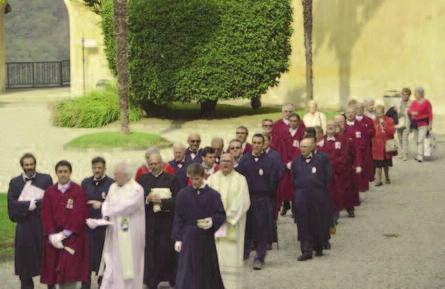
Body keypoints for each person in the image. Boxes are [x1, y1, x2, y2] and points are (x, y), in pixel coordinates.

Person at [173, 163, 226, 289]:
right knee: (187, 271)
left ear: (203, 177)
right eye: (191, 179)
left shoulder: (213, 195)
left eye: (197, 179)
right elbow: (178, 217)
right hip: (188, 237)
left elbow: (221, 214)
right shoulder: (182, 194)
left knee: (206, 269)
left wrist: (212, 221)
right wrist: (178, 238)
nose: (194, 182)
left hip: (205, 237)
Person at [40, 160, 89, 289]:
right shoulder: (49, 192)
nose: (63, 174)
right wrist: (51, 235)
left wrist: (64, 234)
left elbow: (79, 214)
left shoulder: (78, 191)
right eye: (60, 172)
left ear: (70, 173)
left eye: (65, 171)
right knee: (52, 272)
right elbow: (46, 214)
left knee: (68, 274)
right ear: (56, 173)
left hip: (71, 238)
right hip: (53, 239)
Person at [7, 153, 53, 289]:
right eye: (26, 165)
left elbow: (51, 202)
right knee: (25, 268)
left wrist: (35, 204)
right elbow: (11, 207)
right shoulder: (14, 183)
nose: (29, 167)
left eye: (31, 164)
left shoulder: (46, 179)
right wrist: (27, 205)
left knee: (48, 264)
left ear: (35, 164)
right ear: (22, 166)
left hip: (42, 227)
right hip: (24, 229)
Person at [236, 134, 280, 270]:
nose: (256, 145)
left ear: (263, 145)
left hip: (263, 198)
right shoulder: (244, 159)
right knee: (247, 227)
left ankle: (259, 257)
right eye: (254, 142)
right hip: (247, 197)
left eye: (259, 143)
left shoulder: (270, 161)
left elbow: (274, 180)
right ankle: (244, 252)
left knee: (262, 228)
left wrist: (267, 194)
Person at [99, 162, 146, 289]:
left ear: (126, 175)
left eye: (117, 175)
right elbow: (107, 202)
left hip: (130, 234)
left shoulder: (137, 189)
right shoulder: (113, 187)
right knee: (114, 262)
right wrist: (105, 213)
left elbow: (126, 207)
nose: (114, 177)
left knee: (129, 264)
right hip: (114, 232)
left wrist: (108, 210)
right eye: (114, 174)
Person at [207, 153, 250, 289]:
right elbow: (205, 200)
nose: (225, 164)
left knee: (231, 256)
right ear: (219, 162)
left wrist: (227, 217)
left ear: (233, 163)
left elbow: (243, 202)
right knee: (215, 257)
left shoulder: (241, 180)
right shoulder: (211, 179)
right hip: (215, 226)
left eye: (228, 161)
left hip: (233, 225)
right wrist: (217, 219)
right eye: (223, 161)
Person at [138, 153, 180, 289]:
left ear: (162, 164)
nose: (153, 167)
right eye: (151, 164)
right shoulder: (143, 179)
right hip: (148, 223)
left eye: (156, 164)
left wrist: (161, 201)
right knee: (149, 252)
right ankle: (151, 281)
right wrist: (147, 199)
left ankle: (168, 279)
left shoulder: (172, 179)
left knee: (165, 251)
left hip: (166, 223)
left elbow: (177, 201)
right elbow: (135, 199)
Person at [291, 138, 332, 261]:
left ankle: (318, 245)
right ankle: (306, 250)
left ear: (312, 147)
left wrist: (318, 187)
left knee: (318, 221)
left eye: (305, 147)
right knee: (302, 223)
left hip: (318, 196)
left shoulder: (321, 159)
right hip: (301, 196)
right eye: (301, 146)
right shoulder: (296, 161)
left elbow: (328, 176)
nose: (302, 149)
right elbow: (293, 177)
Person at [80, 157, 114, 289]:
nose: (97, 170)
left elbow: (115, 204)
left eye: (100, 168)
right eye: (95, 168)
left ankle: (103, 285)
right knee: (86, 261)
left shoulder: (111, 184)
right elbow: (81, 203)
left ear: (105, 168)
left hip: (104, 230)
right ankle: (85, 285)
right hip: (88, 228)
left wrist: (101, 205)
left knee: (103, 261)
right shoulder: (86, 183)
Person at [317, 122, 349, 228]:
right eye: (328, 126)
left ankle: (335, 216)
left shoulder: (342, 140)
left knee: (336, 195)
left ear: (336, 128)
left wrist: (336, 166)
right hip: (323, 174)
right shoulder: (321, 140)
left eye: (333, 126)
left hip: (337, 172)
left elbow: (344, 155)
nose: (330, 127)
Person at [275, 113, 305, 217]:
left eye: (295, 121)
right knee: (284, 186)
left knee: (295, 186)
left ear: (298, 122)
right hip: (285, 163)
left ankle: (295, 208)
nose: (292, 123)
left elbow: (301, 149)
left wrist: (293, 162)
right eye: (291, 121)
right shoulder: (284, 133)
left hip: (297, 163)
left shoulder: (302, 134)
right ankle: (286, 204)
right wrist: (286, 162)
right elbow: (281, 149)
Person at [337, 111, 362, 218]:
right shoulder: (332, 135)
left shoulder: (350, 132)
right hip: (337, 167)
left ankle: (350, 208)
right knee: (337, 189)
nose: (339, 124)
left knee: (349, 188)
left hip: (348, 166)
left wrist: (358, 164)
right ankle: (336, 210)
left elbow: (356, 150)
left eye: (341, 122)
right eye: (337, 122)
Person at [372, 105, 396, 186]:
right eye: (377, 113)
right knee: (378, 165)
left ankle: (387, 177)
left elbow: (392, 131)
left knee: (386, 164)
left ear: (383, 112)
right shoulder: (373, 121)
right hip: (377, 147)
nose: (378, 115)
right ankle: (379, 180)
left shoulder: (389, 120)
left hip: (387, 146)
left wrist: (384, 125)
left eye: (380, 113)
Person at [408, 87, 433, 162]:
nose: (414, 94)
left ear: (421, 94)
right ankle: (419, 154)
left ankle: (420, 156)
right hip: (415, 123)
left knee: (420, 140)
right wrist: (411, 113)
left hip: (423, 123)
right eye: (414, 93)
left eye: (416, 93)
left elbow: (430, 114)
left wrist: (430, 124)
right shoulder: (414, 102)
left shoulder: (426, 102)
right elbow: (409, 110)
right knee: (416, 139)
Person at [355, 102, 376, 190]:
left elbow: (373, 132)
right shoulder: (352, 121)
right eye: (357, 108)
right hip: (355, 147)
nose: (359, 110)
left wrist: (367, 132)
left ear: (363, 109)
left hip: (366, 145)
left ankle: (367, 179)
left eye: (361, 108)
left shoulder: (368, 120)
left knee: (367, 162)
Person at [396, 88, 412, 161]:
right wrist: (397, 113)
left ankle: (405, 155)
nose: (405, 96)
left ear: (409, 95)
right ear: (401, 95)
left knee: (405, 139)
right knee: (400, 139)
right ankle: (401, 153)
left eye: (407, 94)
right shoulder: (398, 103)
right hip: (399, 123)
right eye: (403, 94)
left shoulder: (411, 103)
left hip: (406, 123)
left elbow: (413, 114)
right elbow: (395, 113)